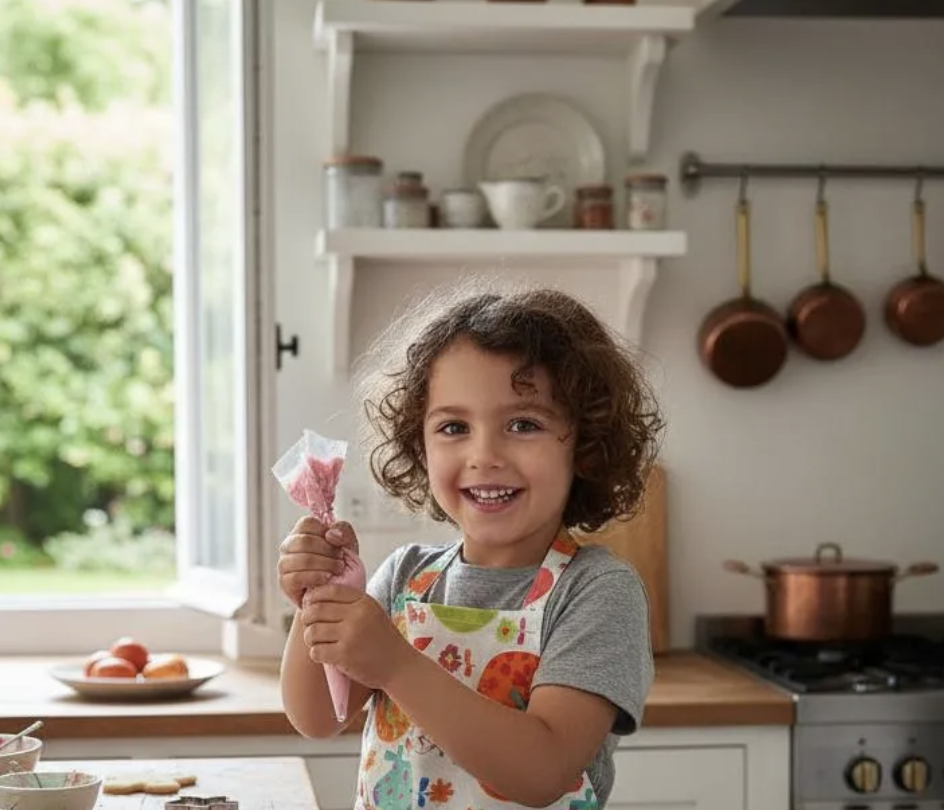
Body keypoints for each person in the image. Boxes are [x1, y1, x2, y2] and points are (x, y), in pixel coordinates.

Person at [278, 281, 663, 810]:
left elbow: (541, 772)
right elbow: (319, 717)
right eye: (454, 426)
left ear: (586, 447)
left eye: (523, 424)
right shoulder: (405, 577)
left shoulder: (597, 592)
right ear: (420, 445)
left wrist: (395, 664)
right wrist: (316, 602)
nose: (484, 455)